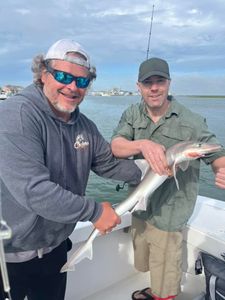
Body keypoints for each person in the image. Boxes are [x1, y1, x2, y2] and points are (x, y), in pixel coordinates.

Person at [0, 39, 143, 300]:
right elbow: (34, 191)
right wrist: (95, 211)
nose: (72, 86)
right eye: (63, 76)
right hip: (8, 257)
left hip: (55, 251)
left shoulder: (84, 126)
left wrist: (151, 171)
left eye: (82, 81)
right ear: (44, 74)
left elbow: (108, 163)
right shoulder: (17, 114)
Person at [111, 57, 225, 300]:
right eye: (147, 82)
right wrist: (141, 144)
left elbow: (215, 152)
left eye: (160, 81)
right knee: (147, 262)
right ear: (138, 86)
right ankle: (155, 291)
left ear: (169, 83)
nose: (154, 88)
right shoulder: (133, 113)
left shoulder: (191, 121)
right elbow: (116, 146)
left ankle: (162, 294)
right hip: (140, 206)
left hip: (171, 212)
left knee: (166, 276)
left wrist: (220, 169)